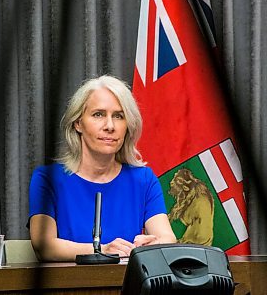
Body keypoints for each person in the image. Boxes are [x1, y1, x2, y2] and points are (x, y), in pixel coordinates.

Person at [29, 75, 176, 262]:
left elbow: (168, 237)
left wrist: (150, 247)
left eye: (118, 116)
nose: (110, 126)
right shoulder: (47, 179)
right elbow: (44, 245)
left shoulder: (143, 179)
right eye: (98, 114)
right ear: (78, 123)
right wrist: (102, 250)